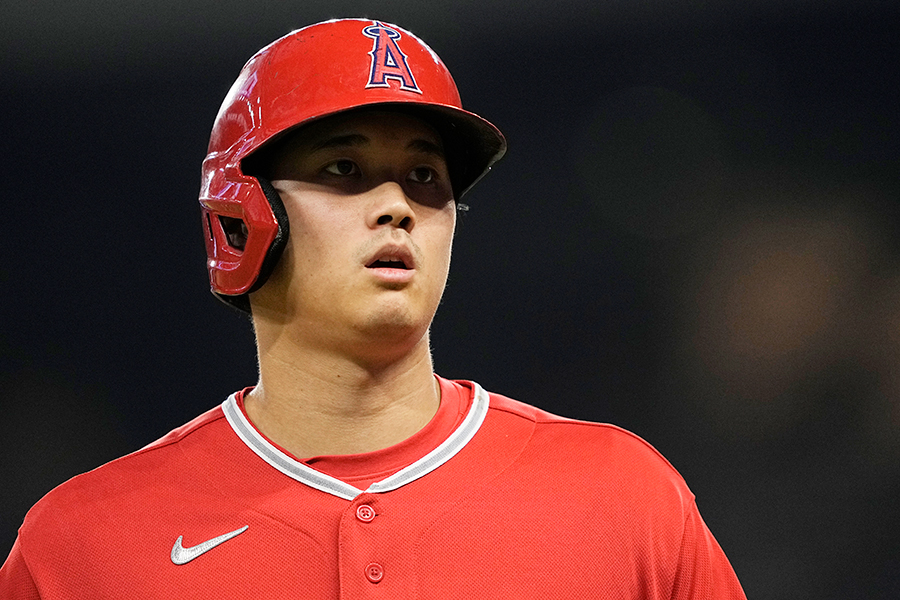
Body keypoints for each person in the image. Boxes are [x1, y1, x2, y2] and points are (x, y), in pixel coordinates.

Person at [0, 18, 746, 599]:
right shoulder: (86, 545)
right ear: (239, 217)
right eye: (345, 169)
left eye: (425, 176)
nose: (397, 206)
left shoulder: (622, 498)